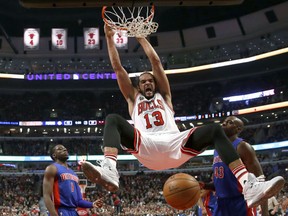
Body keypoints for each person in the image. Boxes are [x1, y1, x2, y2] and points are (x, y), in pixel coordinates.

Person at [81, 24, 285, 208]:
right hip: (146, 146)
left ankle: (248, 185)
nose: (147, 83)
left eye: (150, 80)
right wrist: (109, 38)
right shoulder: (133, 99)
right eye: (143, 81)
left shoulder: (165, 96)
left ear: (155, 83)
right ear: (138, 86)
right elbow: (118, 68)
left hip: (175, 144)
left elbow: (156, 62)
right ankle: (109, 169)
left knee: (215, 129)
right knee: (113, 120)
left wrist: (141, 37)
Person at [200, 116, 269, 215]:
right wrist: (205, 185)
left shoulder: (243, 147)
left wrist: (265, 213)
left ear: (238, 129)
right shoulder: (217, 149)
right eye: (224, 122)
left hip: (241, 202)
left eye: (230, 122)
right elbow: (219, 184)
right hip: (221, 204)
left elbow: (260, 180)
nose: (224, 124)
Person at [43, 144, 103, 216]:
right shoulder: (52, 168)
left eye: (65, 148)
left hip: (73, 212)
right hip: (60, 210)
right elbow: (46, 195)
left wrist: (92, 204)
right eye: (60, 149)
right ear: (54, 155)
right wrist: (53, 214)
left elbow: (78, 201)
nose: (64, 150)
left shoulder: (74, 174)